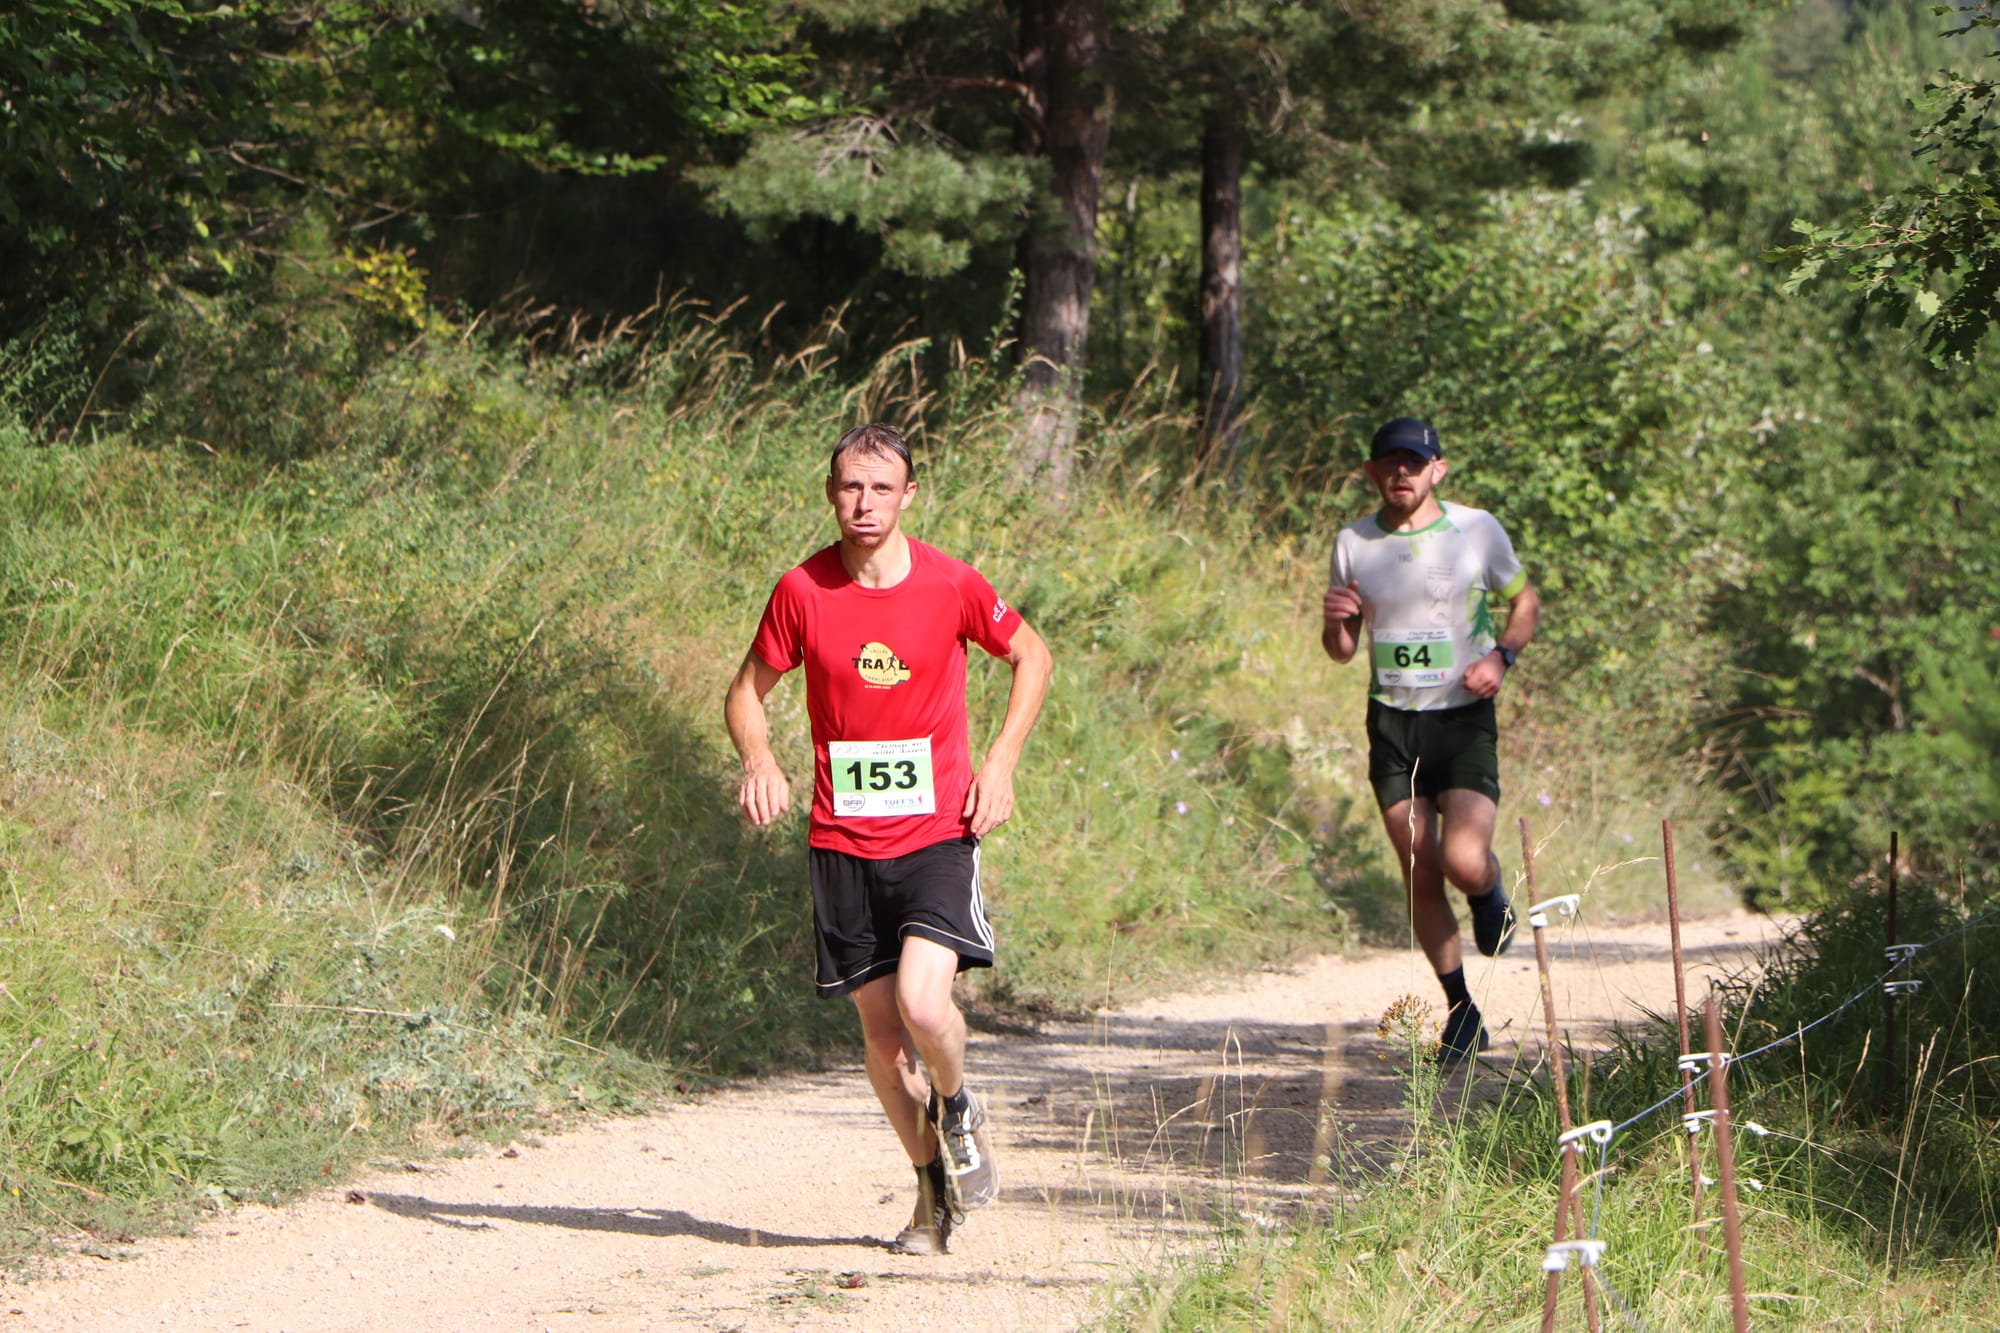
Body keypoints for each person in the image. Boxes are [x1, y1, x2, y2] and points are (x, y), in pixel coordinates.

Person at [724, 422, 1054, 1255]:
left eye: (880, 488)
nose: (863, 503)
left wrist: (1002, 761)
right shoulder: (802, 591)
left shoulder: (949, 583)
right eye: (848, 487)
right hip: (841, 842)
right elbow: (745, 692)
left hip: (939, 832)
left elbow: (1033, 654)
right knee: (880, 1037)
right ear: (830, 494)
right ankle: (930, 1190)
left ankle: (960, 1102)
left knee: (921, 1003)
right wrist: (759, 756)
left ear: (909, 494)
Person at [1320, 417, 1541, 1063]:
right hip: (1392, 722)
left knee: (1464, 861)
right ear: (1372, 472)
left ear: (1438, 469)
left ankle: (1489, 891)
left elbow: (1524, 602)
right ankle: (1462, 1011)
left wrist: (1502, 656)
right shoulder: (1353, 542)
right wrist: (1337, 625)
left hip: (1462, 717)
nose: (1401, 473)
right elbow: (1340, 650)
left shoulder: (1477, 530)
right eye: (1389, 463)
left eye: (1414, 463)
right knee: (1419, 866)